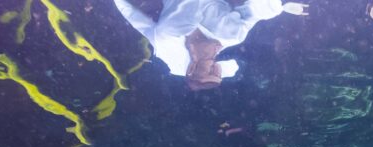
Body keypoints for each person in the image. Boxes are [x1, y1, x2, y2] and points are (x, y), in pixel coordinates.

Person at [113, 0, 309, 89]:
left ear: (192, 66)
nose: (217, 64)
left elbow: (135, 18)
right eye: (219, 72)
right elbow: (254, 11)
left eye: (211, 70)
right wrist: (280, 5)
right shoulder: (232, 36)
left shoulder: (167, 40)